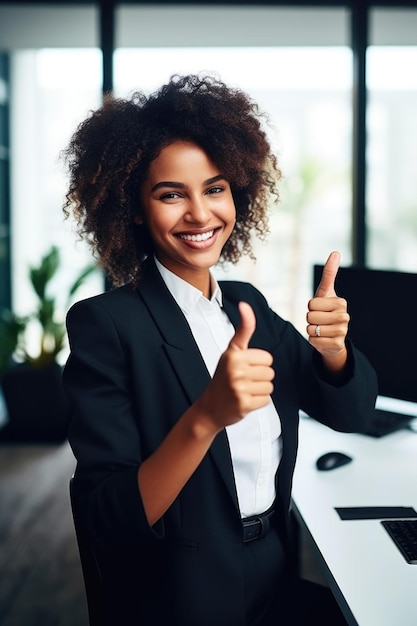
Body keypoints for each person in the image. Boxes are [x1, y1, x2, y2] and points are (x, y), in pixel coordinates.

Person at [62, 74, 377, 626]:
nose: (200, 215)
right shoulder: (106, 325)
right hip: (178, 598)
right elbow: (107, 521)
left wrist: (334, 352)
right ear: (133, 209)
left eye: (214, 188)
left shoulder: (246, 306)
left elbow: (350, 412)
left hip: (274, 570)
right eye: (170, 194)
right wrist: (206, 416)